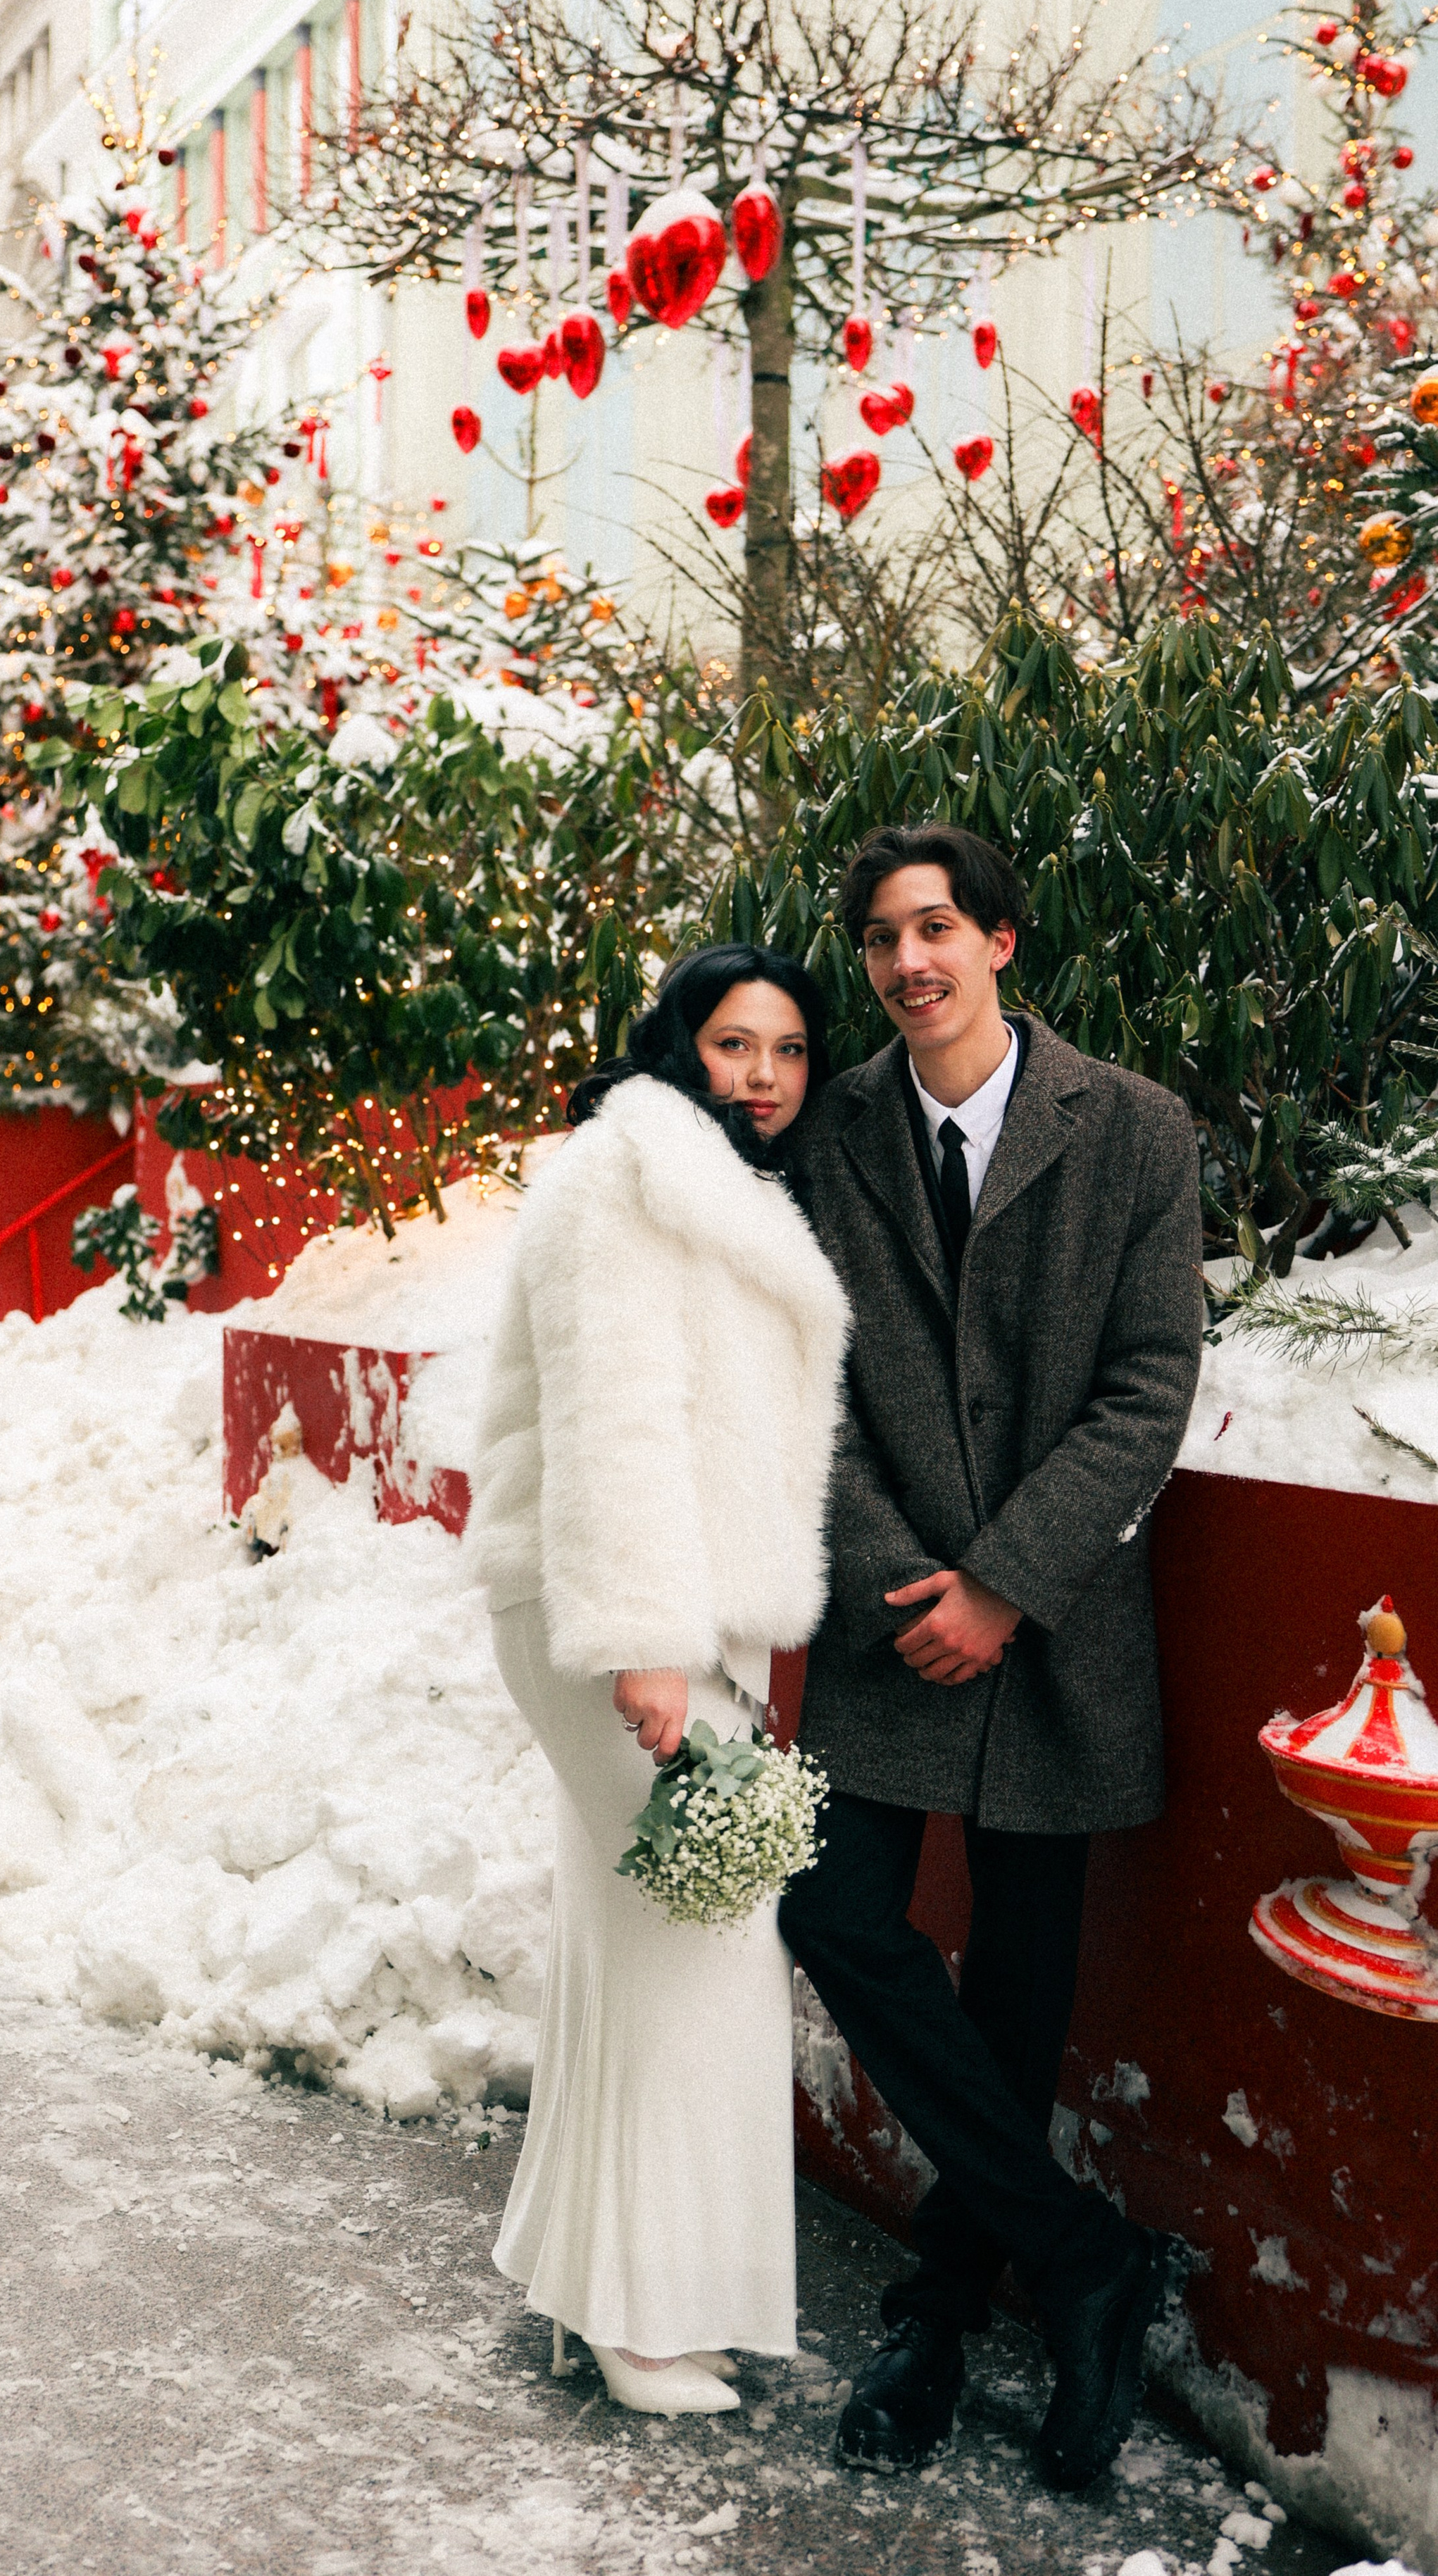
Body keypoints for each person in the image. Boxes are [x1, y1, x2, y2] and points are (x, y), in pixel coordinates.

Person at [782, 824, 1203, 2493]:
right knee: (830, 1909)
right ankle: (1081, 2252)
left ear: (1002, 941)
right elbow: (798, 1376)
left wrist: (1006, 1588)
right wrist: (906, 1581)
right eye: (881, 939)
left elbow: (1147, 1380)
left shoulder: (1134, 1131)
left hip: (1056, 1630)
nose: (907, 963)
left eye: (936, 927)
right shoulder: (832, 1137)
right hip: (888, 1623)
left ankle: (943, 2305)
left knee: (1020, 1991)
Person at [465, 944, 851, 2415]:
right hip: (619, 1616)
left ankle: (593, 2290)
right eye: (733, 1041)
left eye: (788, 1049)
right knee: (706, 1940)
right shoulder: (620, 1172)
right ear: (674, 1042)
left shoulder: (713, 1185)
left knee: (638, 1939)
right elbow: (613, 1412)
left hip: (675, 1618)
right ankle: (640, 2319)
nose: (761, 1071)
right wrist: (647, 1643)